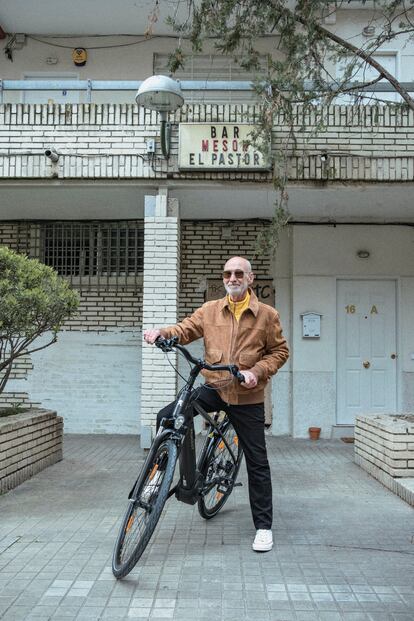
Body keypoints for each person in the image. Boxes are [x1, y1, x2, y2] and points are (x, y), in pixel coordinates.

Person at [144, 256, 289, 552]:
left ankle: (263, 527)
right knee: (168, 415)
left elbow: (279, 351)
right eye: (227, 273)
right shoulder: (210, 310)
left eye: (238, 273)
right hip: (216, 387)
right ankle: (158, 474)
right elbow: (185, 329)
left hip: (248, 397)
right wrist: (162, 332)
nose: (232, 277)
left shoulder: (267, 314)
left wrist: (256, 371)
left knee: (258, 464)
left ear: (250, 279)